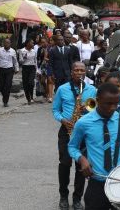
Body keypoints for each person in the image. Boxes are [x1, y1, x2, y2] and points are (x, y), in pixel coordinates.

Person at [68, 83, 120, 210]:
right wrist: (82, 159)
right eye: (108, 103)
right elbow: (72, 147)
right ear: (97, 101)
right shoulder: (83, 123)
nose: (113, 108)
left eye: (116, 103)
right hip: (96, 182)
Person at [52, 61, 97, 210]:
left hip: (84, 132)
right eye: (76, 70)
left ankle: (77, 198)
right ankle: (63, 196)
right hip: (66, 130)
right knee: (64, 164)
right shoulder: (62, 89)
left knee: (81, 166)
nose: (79, 73)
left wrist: (87, 111)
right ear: (71, 72)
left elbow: (96, 109)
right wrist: (63, 120)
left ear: (85, 72)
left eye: (82, 70)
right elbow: (55, 110)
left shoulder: (91, 89)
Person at [0, 39, 19, 107]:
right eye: (5, 43)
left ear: (10, 43)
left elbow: (15, 61)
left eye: (8, 43)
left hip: (9, 70)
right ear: (3, 43)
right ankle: (4, 96)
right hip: (1, 69)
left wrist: (16, 68)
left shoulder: (13, 51)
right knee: (1, 86)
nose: (6, 44)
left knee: (8, 85)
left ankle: (5, 101)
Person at [19, 38, 37, 105]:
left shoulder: (34, 51)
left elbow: (35, 61)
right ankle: (28, 98)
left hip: (32, 68)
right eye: (32, 43)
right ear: (28, 43)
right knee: (25, 84)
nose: (33, 44)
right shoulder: (22, 50)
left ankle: (31, 97)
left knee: (31, 83)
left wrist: (37, 69)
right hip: (25, 68)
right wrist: (24, 58)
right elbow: (20, 61)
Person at [37, 37, 54, 102]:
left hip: (50, 66)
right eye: (42, 42)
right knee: (42, 81)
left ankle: (49, 95)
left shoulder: (51, 48)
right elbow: (39, 58)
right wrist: (38, 68)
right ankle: (46, 92)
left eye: (44, 42)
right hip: (43, 66)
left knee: (49, 81)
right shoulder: (40, 49)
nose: (43, 43)